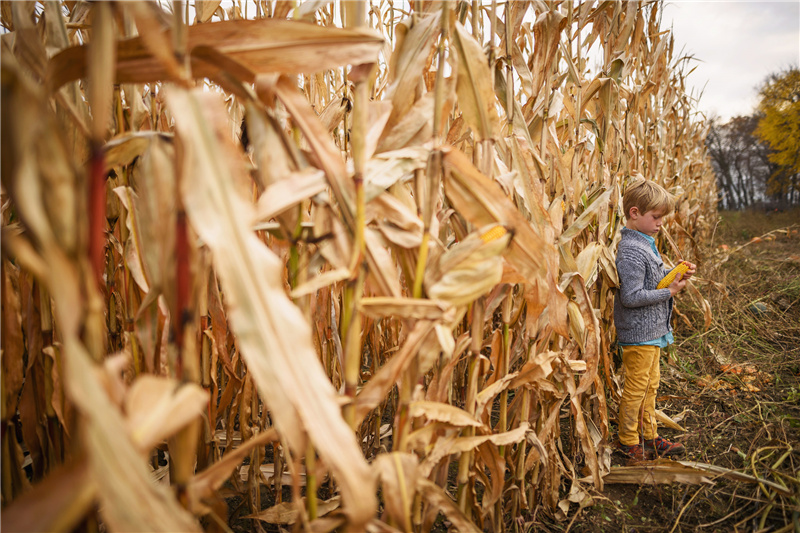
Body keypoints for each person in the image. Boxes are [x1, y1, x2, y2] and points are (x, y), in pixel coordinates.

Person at [614, 179, 697, 461]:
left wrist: (675, 273)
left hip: (652, 331)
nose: (661, 223)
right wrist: (670, 290)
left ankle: (649, 436)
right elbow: (631, 296)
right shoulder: (631, 250)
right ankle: (627, 442)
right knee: (636, 391)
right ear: (635, 213)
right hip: (638, 334)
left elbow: (653, 283)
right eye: (656, 217)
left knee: (650, 388)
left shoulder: (646, 244)